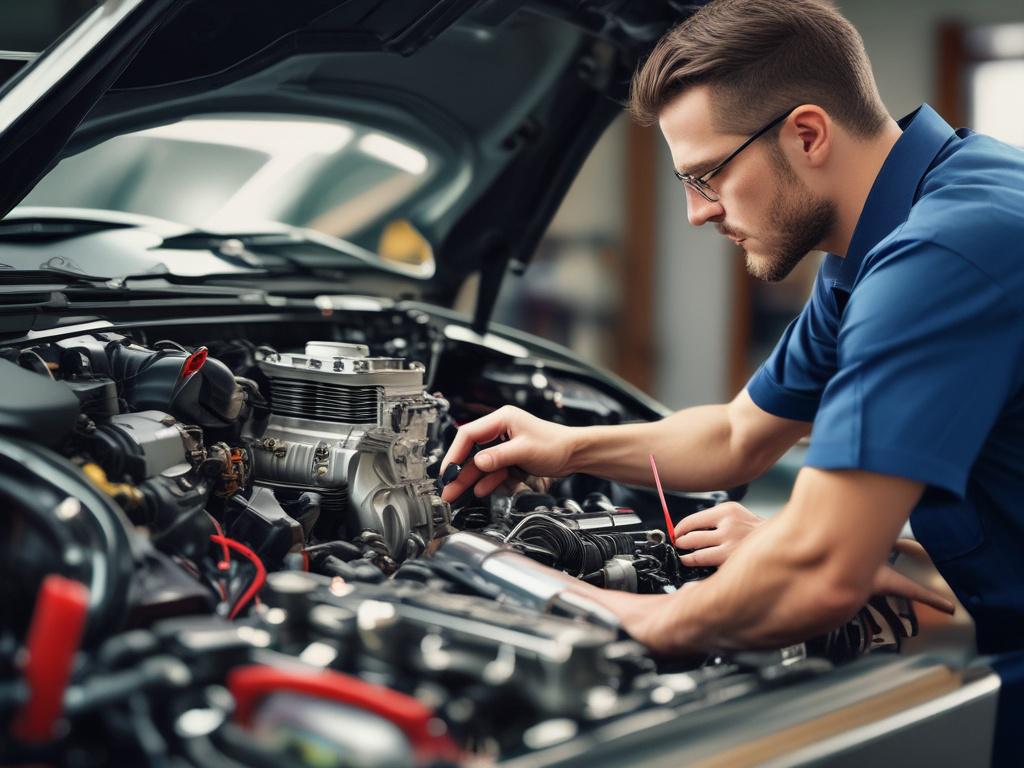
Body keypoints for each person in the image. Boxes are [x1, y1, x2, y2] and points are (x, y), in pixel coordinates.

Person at [440, 0, 1024, 660]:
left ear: (808, 135)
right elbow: (738, 435)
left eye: (707, 175)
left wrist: (602, 607)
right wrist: (569, 446)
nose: (697, 212)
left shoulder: (937, 259)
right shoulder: (893, 229)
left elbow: (822, 576)